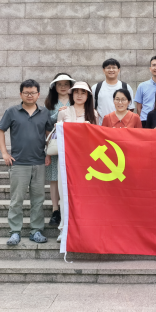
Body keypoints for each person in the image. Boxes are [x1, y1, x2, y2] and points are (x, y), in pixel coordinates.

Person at [0, 79, 53, 246]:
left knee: (38, 200)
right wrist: (4, 153)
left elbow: (49, 134)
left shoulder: (44, 112)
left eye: (33, 92)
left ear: (38, 94)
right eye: (26, 93)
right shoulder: (12, 111)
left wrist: (48, 153)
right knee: (17, 200)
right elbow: (0, 130)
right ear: (21, 94)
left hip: (39, 162)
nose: (30, 95)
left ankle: (36, 231)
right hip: (19, 163)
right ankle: (15, 232)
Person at [50, 81, 99, 242]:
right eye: (76, 92)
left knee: (84, 194)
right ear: (72, 94)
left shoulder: (93, 113)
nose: (79, 95)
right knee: (65, 192)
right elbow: (58, 134)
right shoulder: (64, 112)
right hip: (66, 159)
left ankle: (84, 228)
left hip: (86, 161)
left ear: (88, 96)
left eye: (83, 92)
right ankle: (64, 228)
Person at [43, 73, 75, 228]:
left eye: (66, 84)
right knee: (54, 177)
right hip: (56, 143)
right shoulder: (50, 104)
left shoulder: (75, 99)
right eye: (59, 84)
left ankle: (68, 207)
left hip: (73, 144)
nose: (63, 87)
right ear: (54, 87)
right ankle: (55, 209)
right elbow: (46, 126)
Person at [91, 58, 135, 123]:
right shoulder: (96, 88)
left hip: (121, 125)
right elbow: (91, 107)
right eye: (108, 68)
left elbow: (131, 107)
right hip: (101, 125)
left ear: (118, 70)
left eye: (114, 67)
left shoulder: (126, 87)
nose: (111, 70)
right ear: (103, 70)